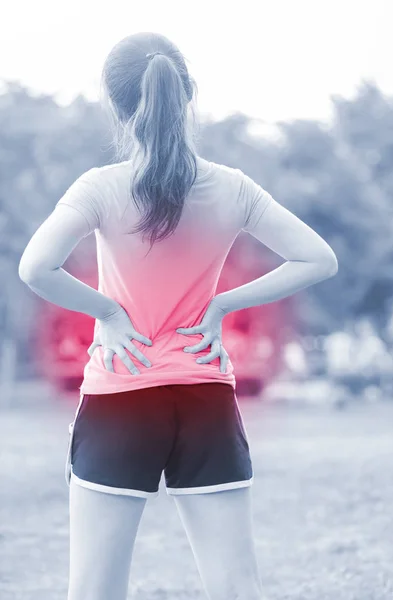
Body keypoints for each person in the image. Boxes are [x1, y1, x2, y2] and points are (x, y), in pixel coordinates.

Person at [18, 32, 338, 600]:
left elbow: (35, 267)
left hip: (120, 395)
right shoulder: (233, 187)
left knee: (94, 591)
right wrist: (222, 305)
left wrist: (107, 314)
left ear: (116, 106)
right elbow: (319, 258)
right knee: (237, 588)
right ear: (188, 94)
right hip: (204, 397)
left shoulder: (100, 187)